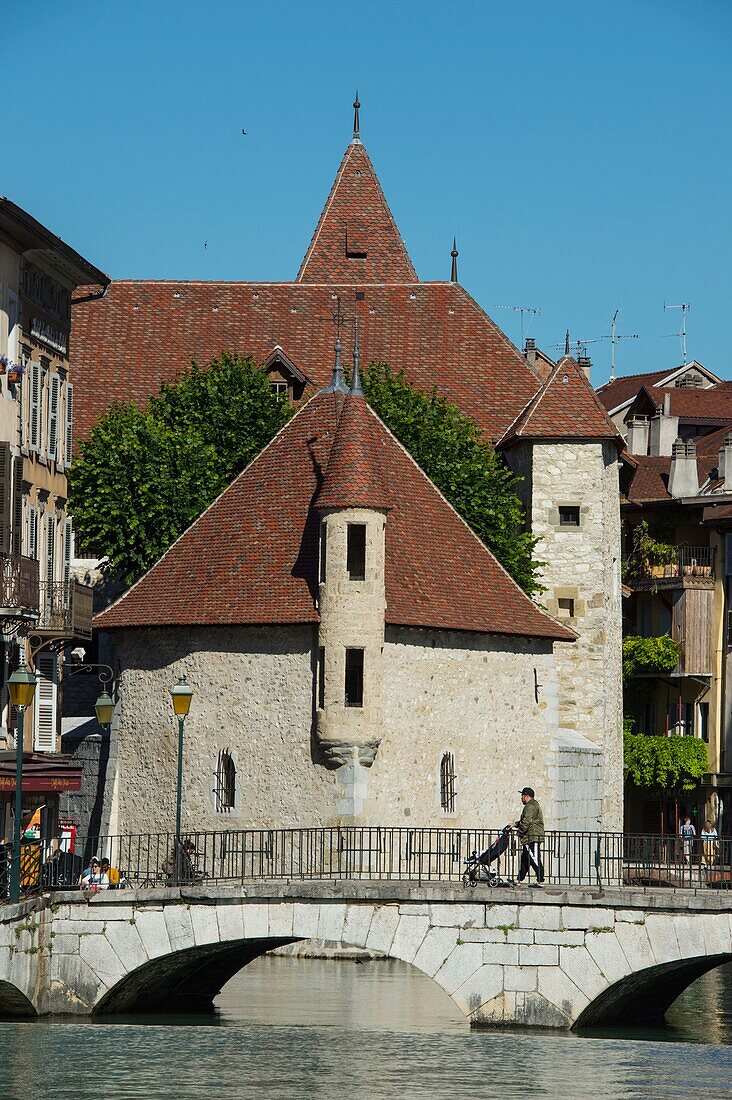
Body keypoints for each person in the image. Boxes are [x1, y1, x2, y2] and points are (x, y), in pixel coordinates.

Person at [512, 786, 545, 887]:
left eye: (522, 796)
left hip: (532, 836)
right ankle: (519, 879)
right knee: (525, 858)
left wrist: (520, 832)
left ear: (526, 796)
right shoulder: (533, 805)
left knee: (534, 858)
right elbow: (526, 820)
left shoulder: (530, 807)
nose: (521, 798)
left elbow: (527, 822)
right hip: (530, 836)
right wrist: (515, 824)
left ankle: (540, 879)